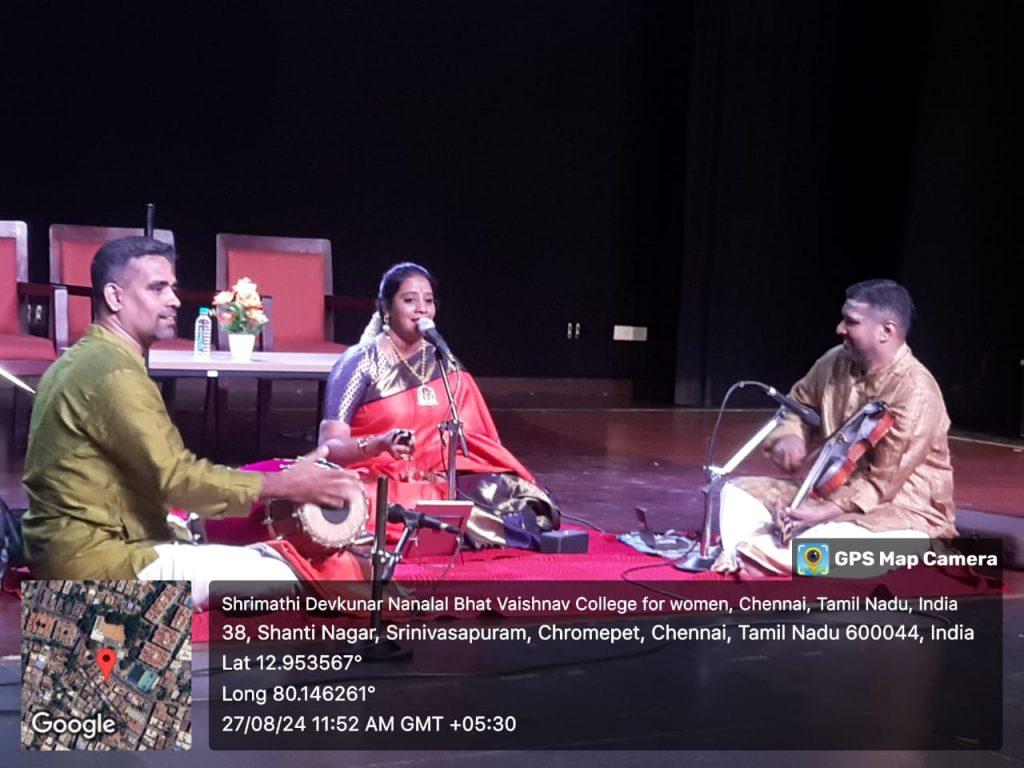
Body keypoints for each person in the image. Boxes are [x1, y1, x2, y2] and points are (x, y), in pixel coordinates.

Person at [20, 236, 366, 608]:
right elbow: (176, 479)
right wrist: (286, 484)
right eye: (157, 289)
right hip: (95, 563)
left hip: (68, 548)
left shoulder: (83, 358)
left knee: (203, 531)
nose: (174, 300)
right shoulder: (113, 374)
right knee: (290, 574)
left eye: (172, 288)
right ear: (115, 297)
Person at [713, 279, 956, 575]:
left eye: (851, 322)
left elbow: (882, 483)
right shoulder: (834, 361)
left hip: (899, 512)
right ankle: (767, 555)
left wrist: (821, 513)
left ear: (886, 331)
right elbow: (798, 405)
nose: (840, 328)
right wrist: (791, 437)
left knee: (842, 539)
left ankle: (759, 554)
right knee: (737, 493)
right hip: (827, 494)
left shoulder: (916, 391)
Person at [317, 262, 560, 546]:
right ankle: (449, 528)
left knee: (524, 498)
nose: (421, 309)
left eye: (428, 301)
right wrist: (379, 444)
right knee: (354, 500)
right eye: (410, 300)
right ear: (386, 307)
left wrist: (444, 470)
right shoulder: (359, 363)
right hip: (377, 478)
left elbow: (476, 439)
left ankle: (448, 527)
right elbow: (329, 447)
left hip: (439, 476)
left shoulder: (443, 361)